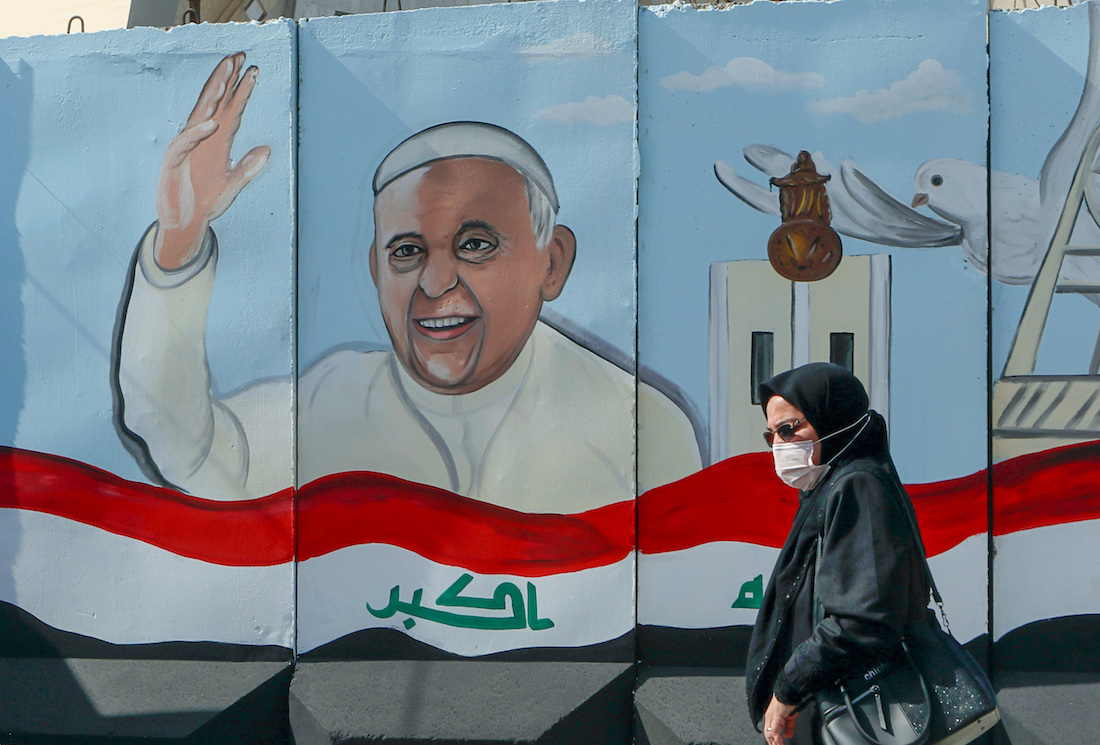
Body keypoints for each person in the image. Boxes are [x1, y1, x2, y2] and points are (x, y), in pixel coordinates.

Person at [113, 53, 701, 510]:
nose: (435, 281)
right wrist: (179, 243)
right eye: (407, 252)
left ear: (553, 263)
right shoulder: (330, 403)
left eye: (475, 246)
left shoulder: (643, 434)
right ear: (376, 270)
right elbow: (186, 444)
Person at [745, 363, 930, 745]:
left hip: (859, 713)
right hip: (839, 707)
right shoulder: (831, 487)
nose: (779, 445)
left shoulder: (858, 485)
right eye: (772, 435)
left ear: (833, 420)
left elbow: (863, 617)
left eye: (789, 429)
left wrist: (788, 689)